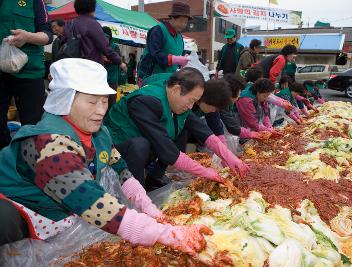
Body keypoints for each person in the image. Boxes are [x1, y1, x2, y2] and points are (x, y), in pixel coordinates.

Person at [0, 58, 211, 254]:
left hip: (57, 213)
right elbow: (93, 204)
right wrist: (167, 234)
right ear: (65, 101)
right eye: (92, 102)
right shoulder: (47, 143)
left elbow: (122, 171)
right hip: (21, 210)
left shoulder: (98, 134)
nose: (101, 110)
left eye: (104, 101)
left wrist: (149, 209)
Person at [104, 69, 249, 191]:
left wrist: (230, 157)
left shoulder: (176, 99)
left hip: (142, 143)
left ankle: (153, 180)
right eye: (191, 100)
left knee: (175, 131)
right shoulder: (145, 102)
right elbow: (166, 150)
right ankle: (134, 195)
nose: (192, 107)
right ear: (176, 89)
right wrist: (205, 172)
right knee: (141, 145)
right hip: (114, 150)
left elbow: (202, 130)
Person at [0, 0, 53, 149]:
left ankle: (28, 166)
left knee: (32, 126)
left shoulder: (36, 1)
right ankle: (4, 158)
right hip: (1, 72)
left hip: (30, 72)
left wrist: (28, 37)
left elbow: (48, 35)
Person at [62, 0, 127, 72]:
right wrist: (120, 62)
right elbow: (104, 47)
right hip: (89, 68)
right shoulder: (93, 24)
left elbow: (63, 45)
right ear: (92, 8)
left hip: (71, 68)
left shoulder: (69, 24)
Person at [137, 1, 191, 84]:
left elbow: (179, 55)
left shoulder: (180, 37)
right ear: (172, 18)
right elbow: (154, 54)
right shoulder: (158, 30)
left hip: (170, 79)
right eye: (181, 21)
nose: (183, 24)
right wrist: (174, 59)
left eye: (186, 22)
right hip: (151, 77)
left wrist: (184, 60)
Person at [204, 74, 268, 141]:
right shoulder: (219, 104)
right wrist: (251, 134)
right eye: (239, 93)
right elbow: (232, 127)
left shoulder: (223, 103)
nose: (239, 96)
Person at [102, 26, 121, 109]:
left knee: (111, 101)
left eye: (106, 37)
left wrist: (106, 59)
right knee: (102, 101)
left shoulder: (115, 47)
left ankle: (110, 119)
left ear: (110, 37)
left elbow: (117, 60)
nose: (105, 39)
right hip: (101, 78)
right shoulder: (100, 46)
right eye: (103, 37)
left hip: (112, 78)